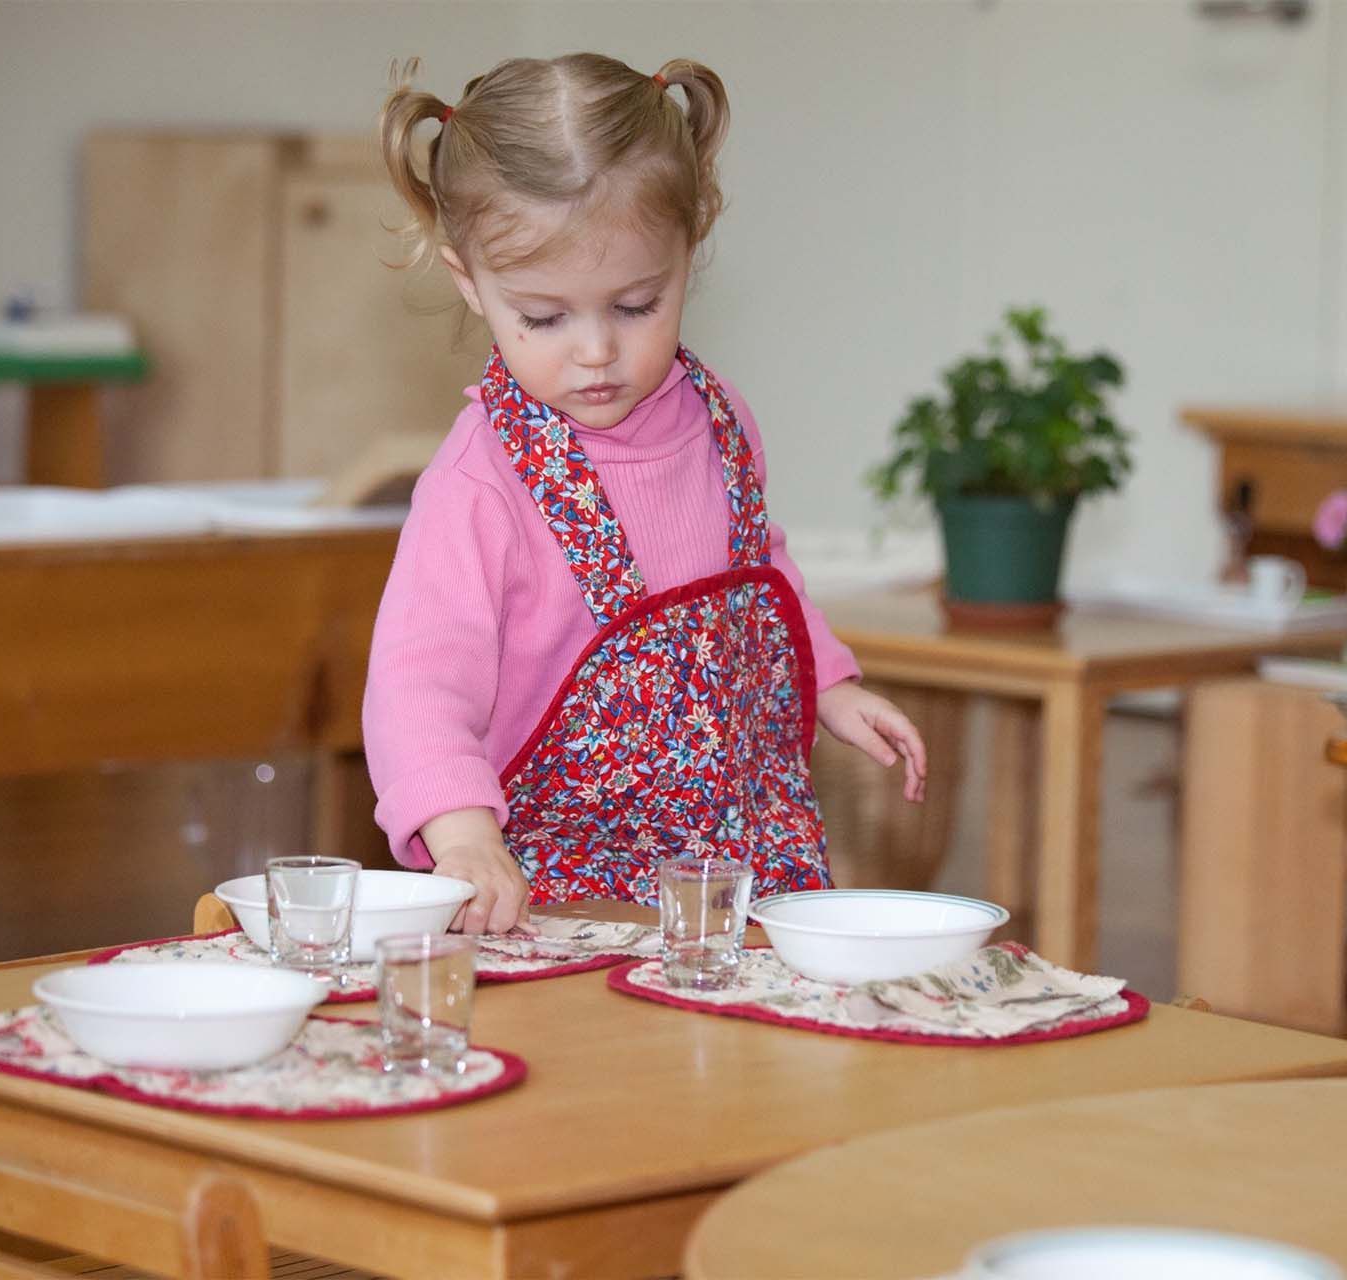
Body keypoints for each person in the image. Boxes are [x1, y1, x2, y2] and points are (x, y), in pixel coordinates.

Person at [365, 53, 928, 934]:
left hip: (735, 869)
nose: (595, 351)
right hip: (558, 888)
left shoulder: (718, 420)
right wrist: (464, 835)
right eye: (544, 318)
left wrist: (831, 685)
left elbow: (755, 574)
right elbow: (417, 682)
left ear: (688, 249)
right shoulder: (481, 483)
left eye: (635, 305)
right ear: (468, 281)